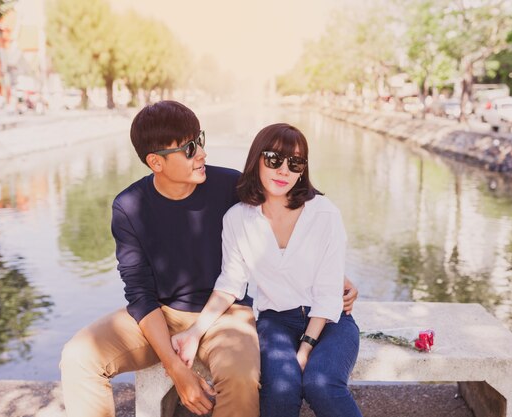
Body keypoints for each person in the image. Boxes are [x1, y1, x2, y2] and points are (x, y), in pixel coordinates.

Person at [59, 101, 359, 417]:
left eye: (199, 140)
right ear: (155, 162)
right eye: (189, 149)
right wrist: (176, 368)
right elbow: (139, 296)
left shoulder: (231, 186)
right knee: (79, 356)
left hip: (227, 314)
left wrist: (334, 275)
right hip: (159, 315)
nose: (201, 152)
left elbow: (285, 214)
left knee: (242, 379)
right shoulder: (129, 207)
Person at [172, 123, 362, 417]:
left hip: (332, 321)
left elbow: (327, 292)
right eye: (274, 159)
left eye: (295, 162)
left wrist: (305, 350)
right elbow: (230, 283)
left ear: (302, 170)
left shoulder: (324, 214)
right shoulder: (238, 219)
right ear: (257, 160)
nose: (284, 170)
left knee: (320, 384)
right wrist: (195, 332)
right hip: (276, 322)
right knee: (282, 389)